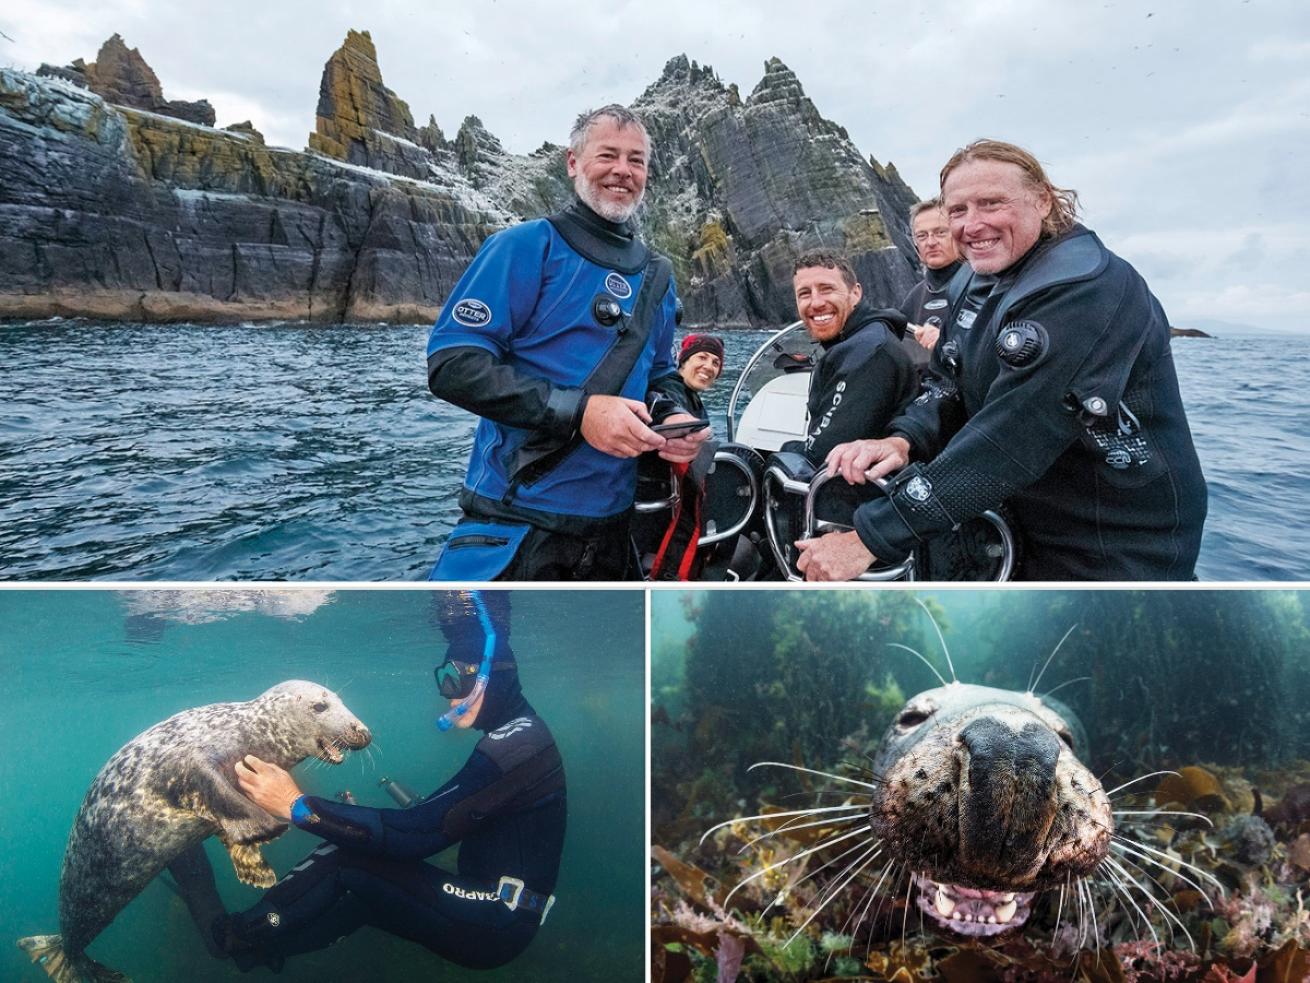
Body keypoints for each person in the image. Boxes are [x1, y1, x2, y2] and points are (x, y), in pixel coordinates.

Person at [797, 139, 1207, 581]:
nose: (972, 225)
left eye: (991, 203)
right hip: (1018, 520)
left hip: (1113, 544)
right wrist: (902, 440)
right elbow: (944, 383)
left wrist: (868, 540)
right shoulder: (975, 280)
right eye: (957, 211)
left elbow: (1009, 440)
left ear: (1043, 200)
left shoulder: (1087, 290)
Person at [199, 591, 566, 973]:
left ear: (490, 674)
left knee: (347, 859)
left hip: (493, 921)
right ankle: (263, 950)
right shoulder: (520, 736)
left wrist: (296, 805)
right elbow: (427, 823)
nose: (447, 693)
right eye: (442, 679)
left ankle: (239, 933)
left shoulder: (517, 745)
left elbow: (419, 835)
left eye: (454, 677)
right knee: (363, 898)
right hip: (499, 919)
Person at [425, 105, 708, 581]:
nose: (623, 171)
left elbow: (660, 374)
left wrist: (672, 415)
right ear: (573, 162)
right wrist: (581, 412)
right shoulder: (525, 245)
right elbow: (452, 364)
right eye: (608, 155)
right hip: (516, 525)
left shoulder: (658, 275)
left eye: (636, 161)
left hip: (614, 532)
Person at [787, 250, 918, 466]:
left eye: (827, 289)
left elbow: (822, 453)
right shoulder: (861, 341)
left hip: (862, 491)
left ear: (855, 293)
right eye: (804, 294)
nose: (816, 302)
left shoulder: (868, 353)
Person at [643, 333, 724, 580]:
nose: (708, 367)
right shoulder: (669, 387)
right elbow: (658, 401)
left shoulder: (692, 398)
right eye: (702, 357)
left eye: (715, 363)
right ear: (683, 361)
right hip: (655, 507)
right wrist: (671, 419)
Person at [898, 198, 967, 364]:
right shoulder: (914, 298)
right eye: (922, 236)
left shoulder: (984, 287)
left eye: (940, 232)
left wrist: (946, 342)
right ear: (915, 244)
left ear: (959, 234)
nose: (931, 242)